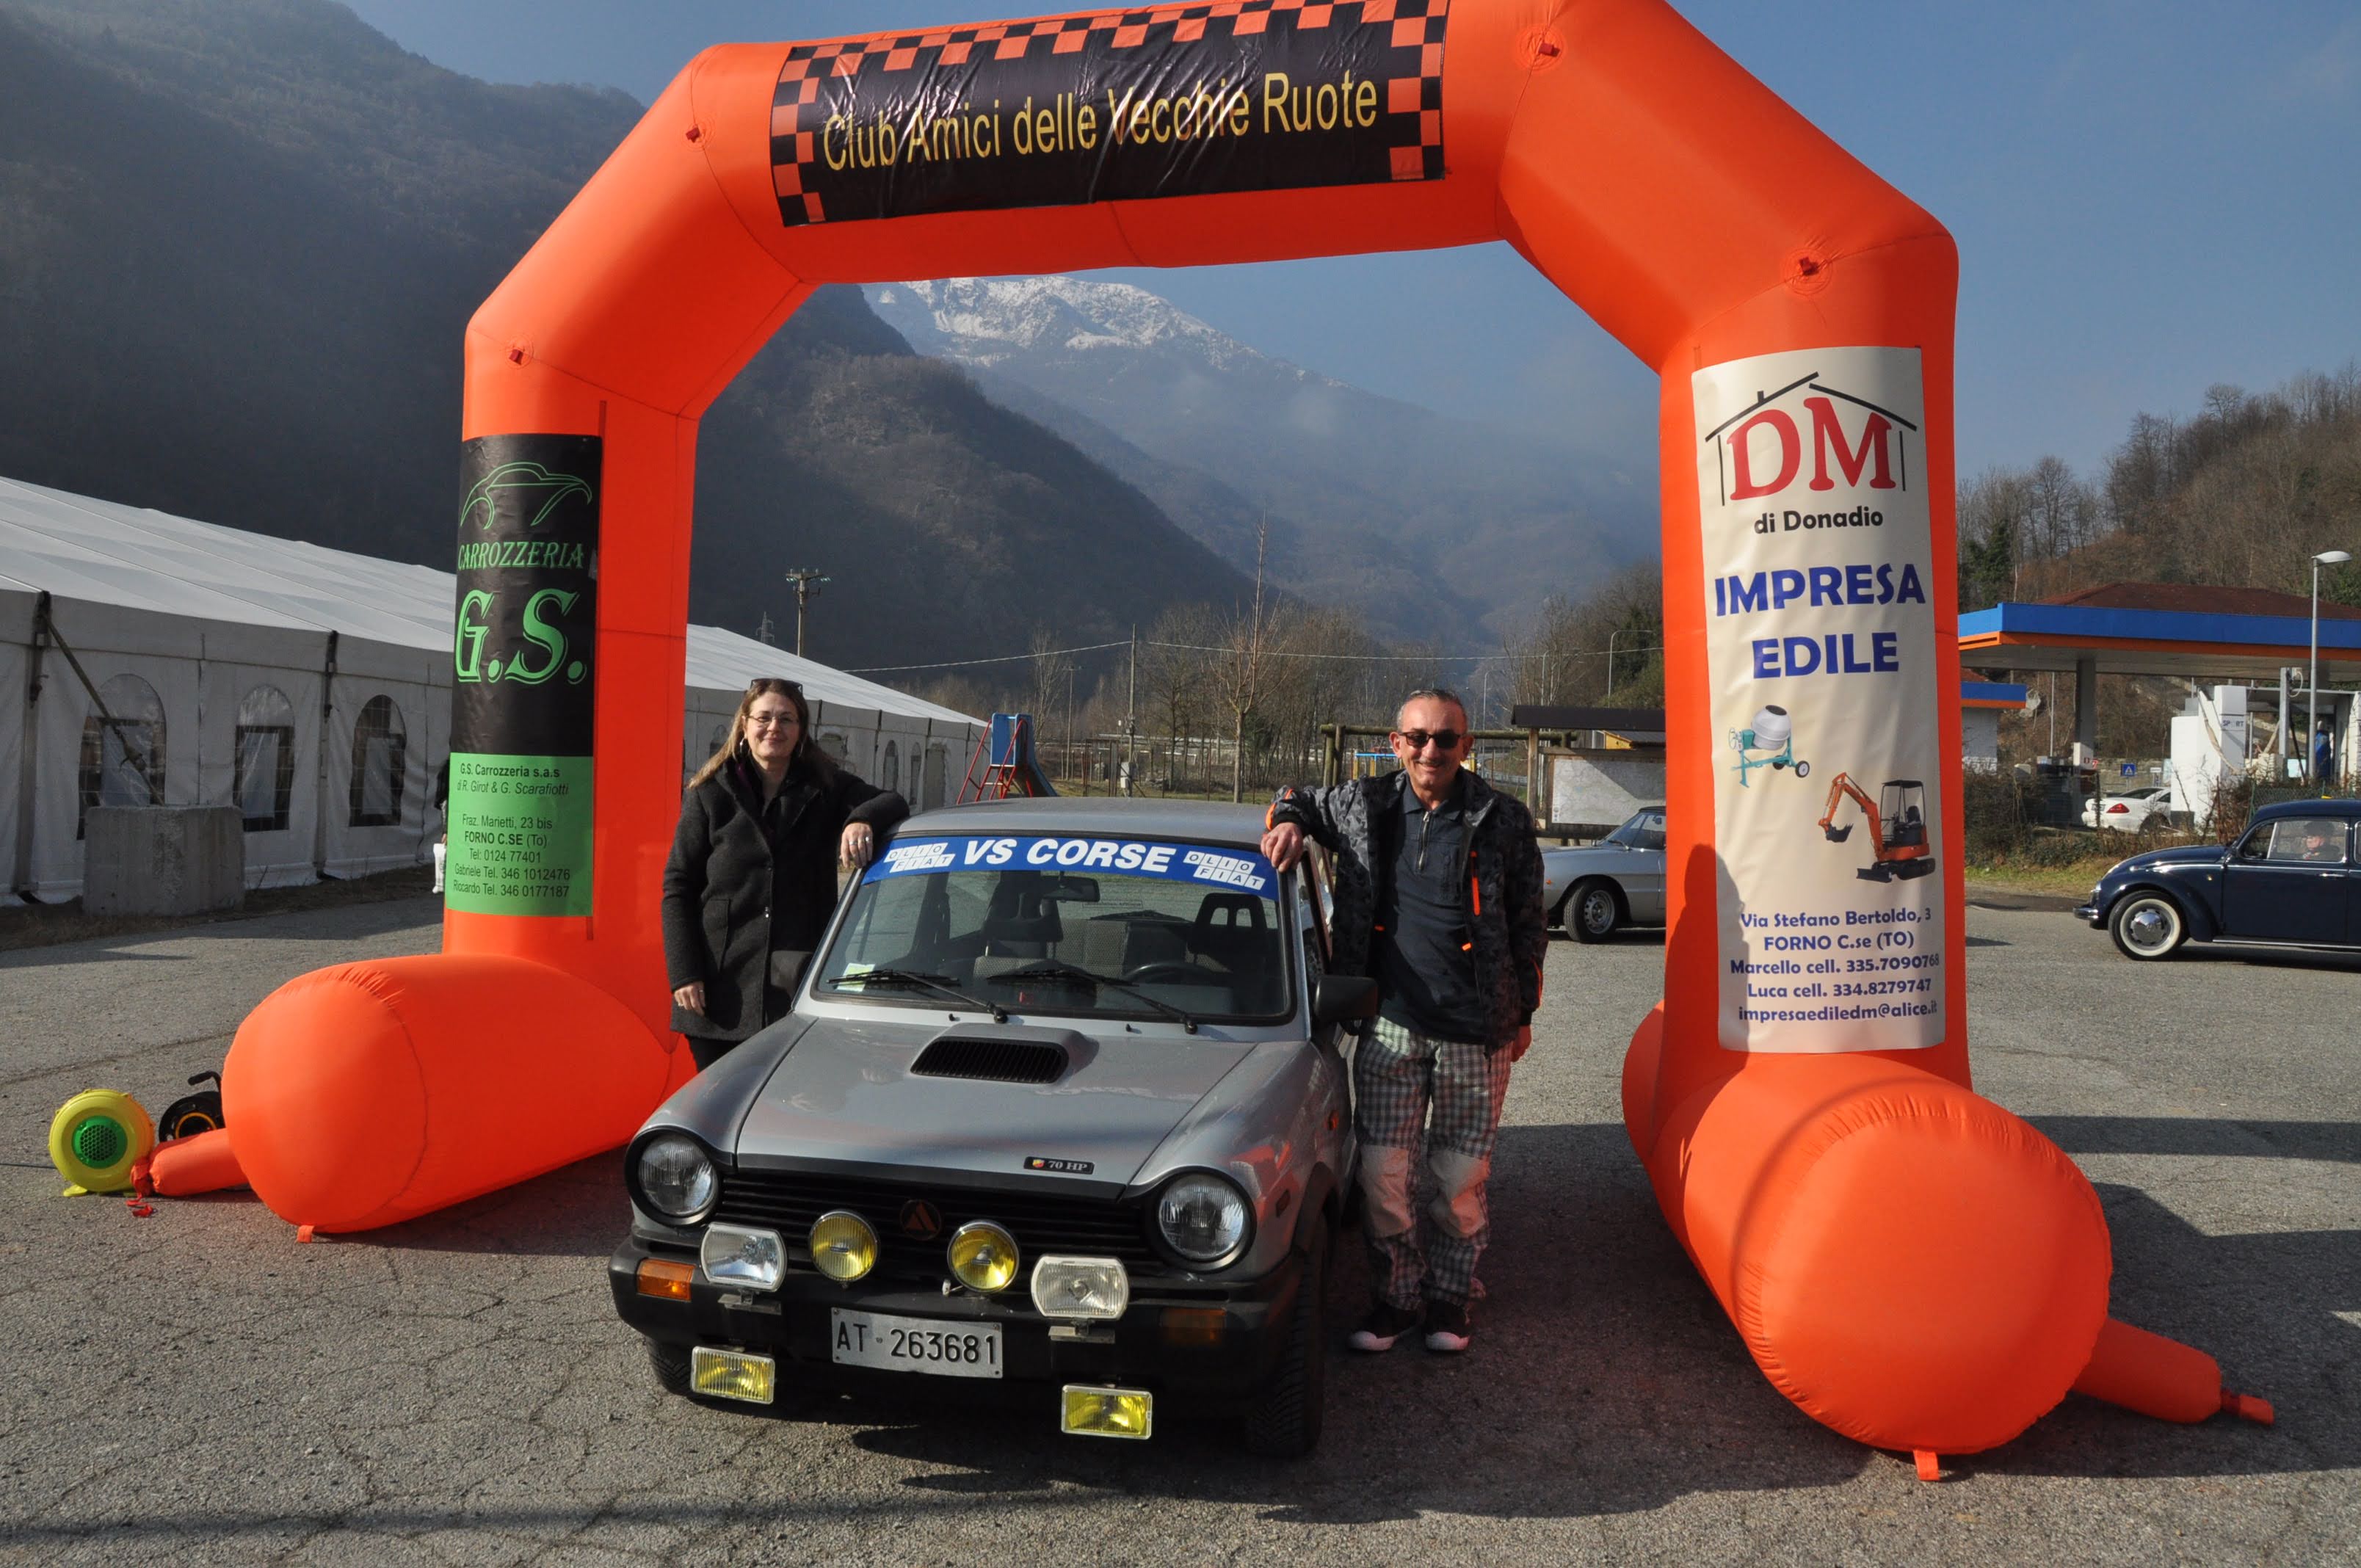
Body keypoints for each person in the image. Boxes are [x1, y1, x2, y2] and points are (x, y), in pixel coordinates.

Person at [1260, 688, 1546, 1354]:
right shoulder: (1364, 805)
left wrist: (1523, 1013)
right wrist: (1290, 821)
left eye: (1446, 739)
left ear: (1466, 746)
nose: (1430, 751)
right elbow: (1295, 796)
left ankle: (1450, 1299)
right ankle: (1396, 1297)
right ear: (1396, 743)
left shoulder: (1504, 818)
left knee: (1459, 1178)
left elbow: (1529, 923)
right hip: (1390, 1024)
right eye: (1417, 738)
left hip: (1477, 1031)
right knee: (1382, 1176)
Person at [663, 678, 907, 1070]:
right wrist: (684, 974)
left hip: (795, 989)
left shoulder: (826, 788)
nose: (773, 728)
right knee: (722, 1099)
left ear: (801, 730)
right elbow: (678, 886)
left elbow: (892, 801)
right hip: (717, 992)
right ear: (745, 724)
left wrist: (860, 819)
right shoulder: (709, 793)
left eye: (786, 719)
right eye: (763, 718)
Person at [2314, 722, 2336, 790]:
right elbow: (2328, 750)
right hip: (2325, 767)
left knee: (2320, 778)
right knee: (2324, 780)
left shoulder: (2318, 737)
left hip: (2320, 765)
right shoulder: (2324, 737)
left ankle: (2320, 788)